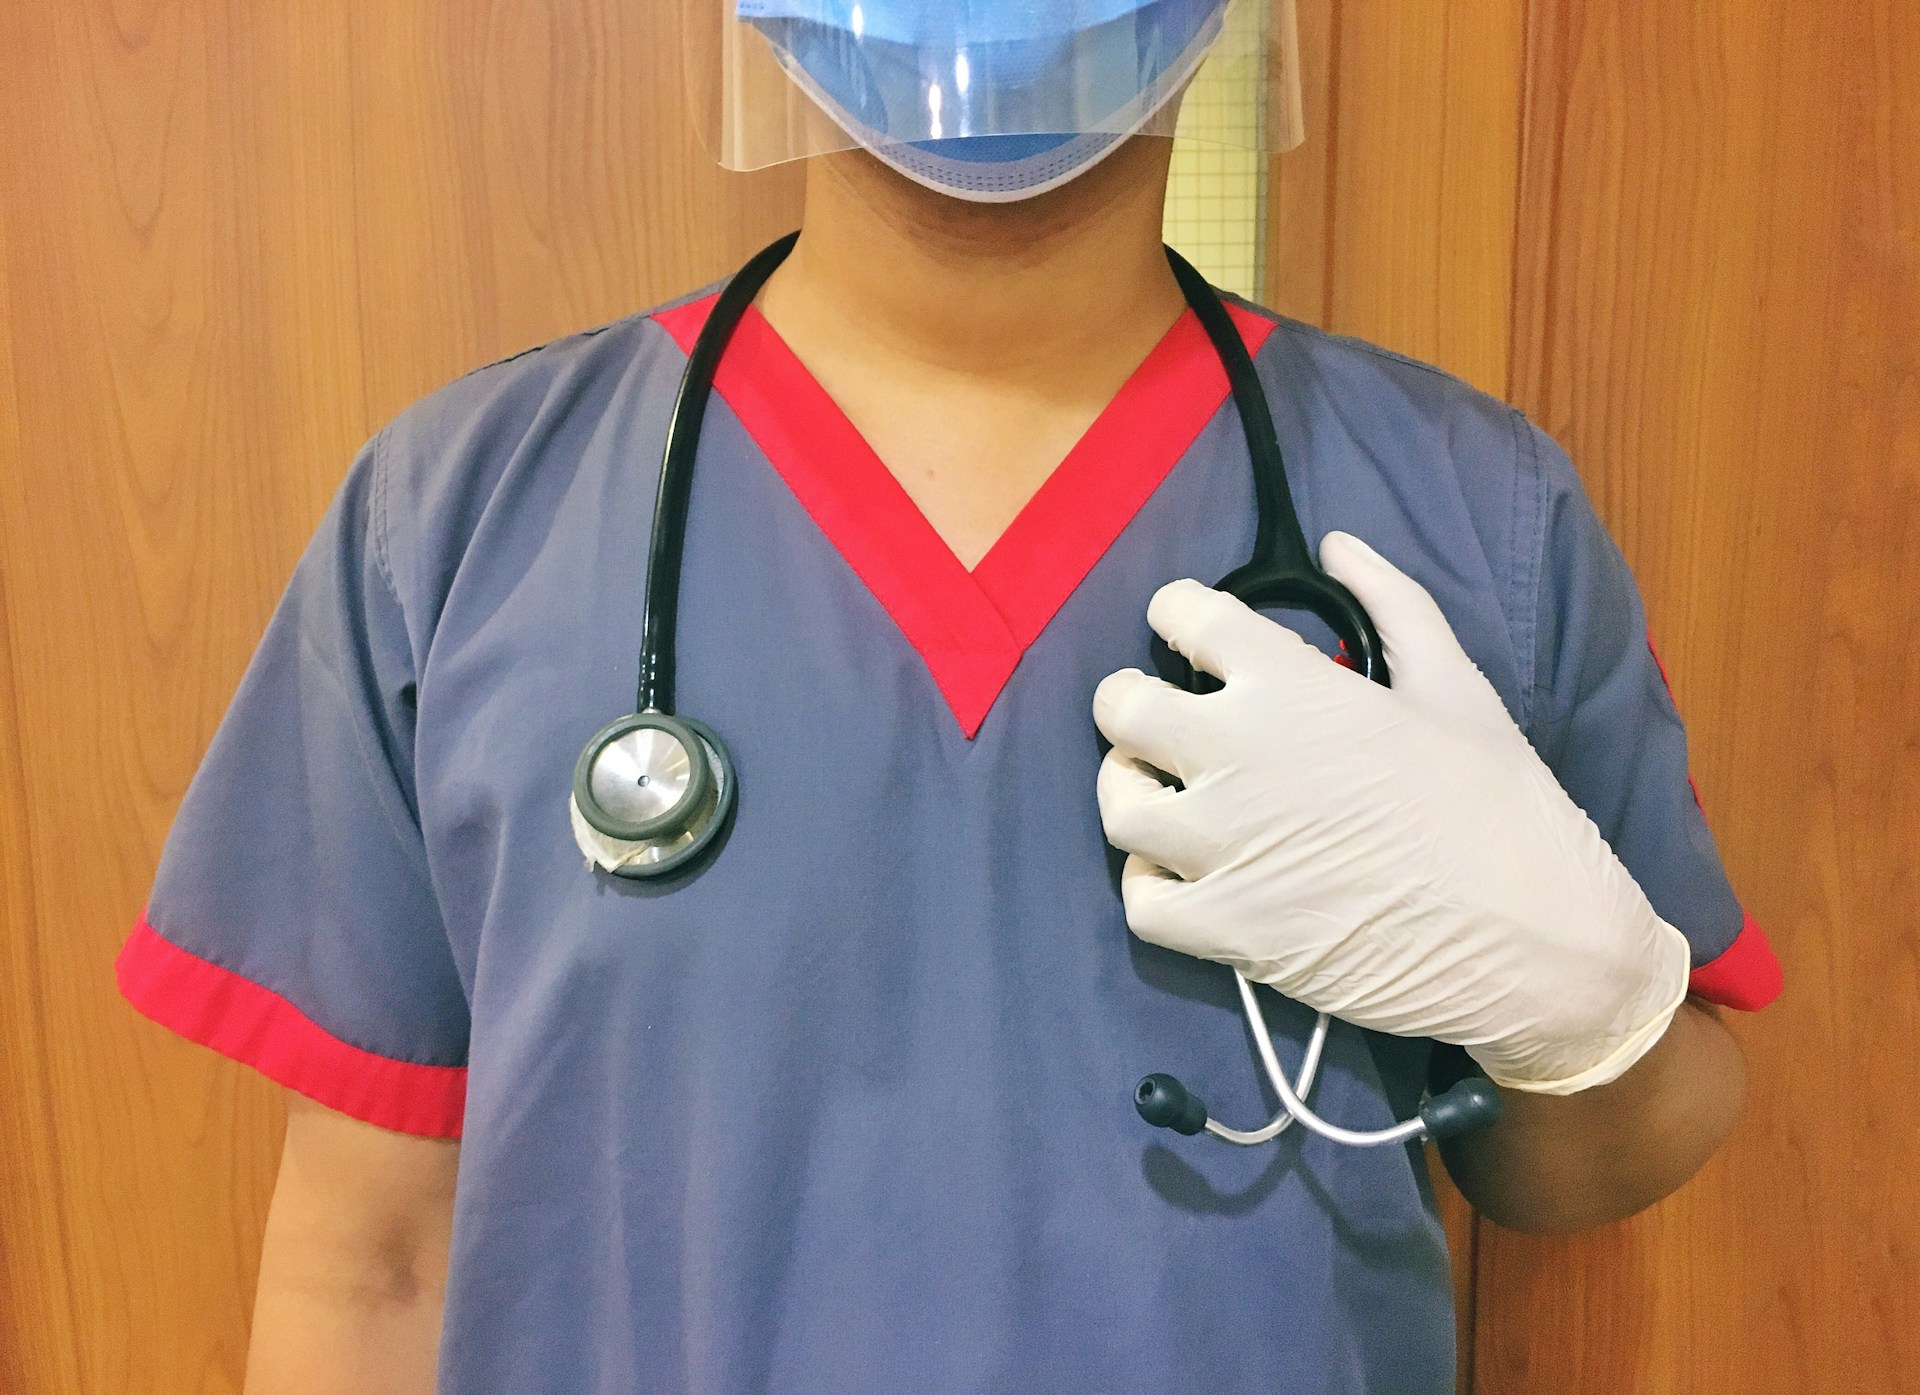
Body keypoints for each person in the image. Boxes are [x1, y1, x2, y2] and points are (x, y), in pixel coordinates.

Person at [116, 3, 1781, 1391]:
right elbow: (375, 1263)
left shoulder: (1463, 518)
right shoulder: (461, 519)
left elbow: (1593, 1163)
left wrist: (1589, 1011)